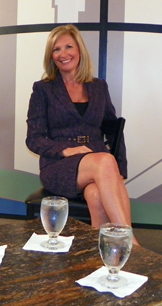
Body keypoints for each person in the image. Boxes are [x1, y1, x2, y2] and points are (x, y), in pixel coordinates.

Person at [26, 24, 138, 244]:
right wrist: (66, 150)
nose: (63, 54)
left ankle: (101, 253)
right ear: (51, 56)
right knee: (106, 161)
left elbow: (113, 129)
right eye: (56, 49)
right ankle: (129, 242)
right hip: (58, 166)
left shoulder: (98, 87)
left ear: (80, 50)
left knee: (96, 195)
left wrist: (120, 170)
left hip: (96, 164)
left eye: (68, 46)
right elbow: (33, 138)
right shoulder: (43, 89)